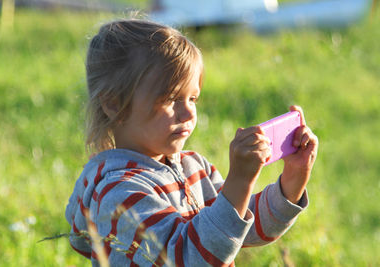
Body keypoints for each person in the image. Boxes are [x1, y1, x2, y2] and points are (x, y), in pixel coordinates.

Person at [65, 18, 318, 267]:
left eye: (193, 99)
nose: (188, 114)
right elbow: (189, 258)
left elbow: (238, 227)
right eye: (171, 99)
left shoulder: (194, 167)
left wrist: (293, 179)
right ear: (114, 104)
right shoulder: (118, 193)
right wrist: (239, 181)